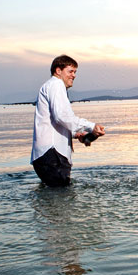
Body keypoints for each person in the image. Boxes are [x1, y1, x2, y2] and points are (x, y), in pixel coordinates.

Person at [30, 55, 105, 187]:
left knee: (54, 201)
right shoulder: (56, 84)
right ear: (58, 71)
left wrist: (76, 134)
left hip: (45, 156)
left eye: (75, 72)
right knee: (62, 199)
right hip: (52, 155)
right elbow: (61, 116)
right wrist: (91, 126)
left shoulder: (51, 86)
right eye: (70, 71)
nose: (74, 75)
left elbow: (55, 121)